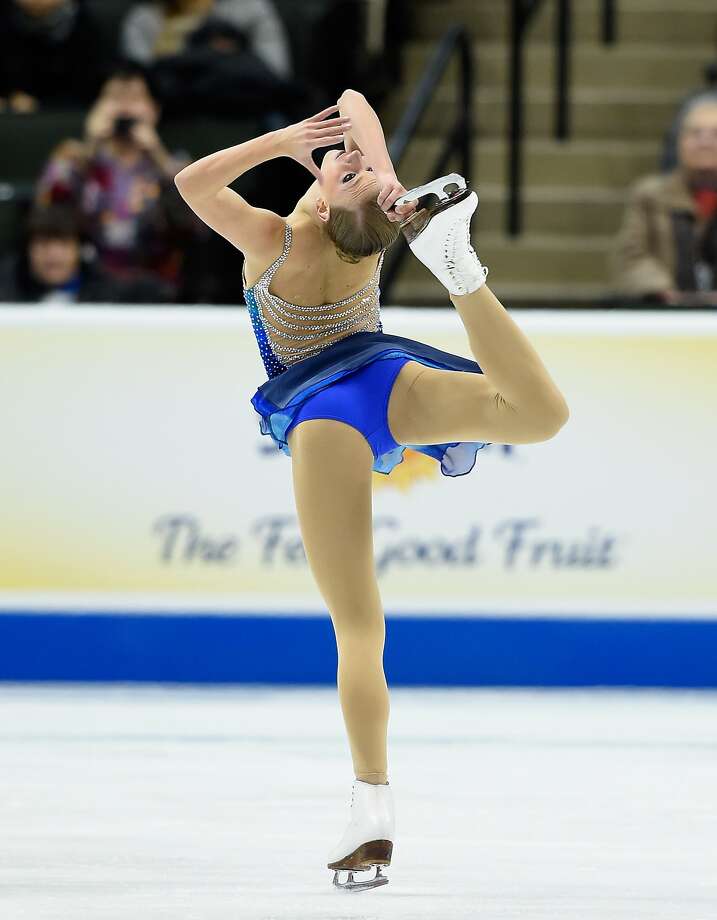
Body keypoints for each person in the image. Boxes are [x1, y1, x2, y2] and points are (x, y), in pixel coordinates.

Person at [174, 89, 570, 891]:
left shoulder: (275, 234)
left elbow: (192, 184)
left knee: (359, 624)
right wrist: (376, 177)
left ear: (325, 205)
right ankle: (457, 271)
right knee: (535, 414)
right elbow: (353, 101)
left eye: (350, 168)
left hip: (328, 409)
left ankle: (371, 807)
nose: (348, 156)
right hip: (380, 382)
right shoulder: (362, 233)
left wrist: (282, 141)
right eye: (346, 158)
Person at [34, 64, 195, 298]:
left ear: (154, 109)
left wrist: (158, 156)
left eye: (134, 97)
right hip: (87, 287)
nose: (124, 107)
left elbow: (194, 227)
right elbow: (47, 212)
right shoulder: (74, 159)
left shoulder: (175, 166)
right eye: (115, 97)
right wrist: (90, 146)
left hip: (159, 289)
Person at [611, 94, 717, 306]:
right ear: (679, 142)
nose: (705, 142)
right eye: (695, 133)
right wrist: (663, 291)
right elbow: (630, 255)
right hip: (664, 316)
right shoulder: (649, 195)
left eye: (715, 134)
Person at [0, 204, 171, 304]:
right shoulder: (7, 286)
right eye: (44, 244)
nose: (53, 254)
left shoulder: (106, 288)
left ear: (79, 249)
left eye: (64, 244)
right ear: (28, 250)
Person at [0, 0, 105, 112]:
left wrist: (40, 106)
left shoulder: (85, 24)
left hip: (65, 112)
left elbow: (90, 88)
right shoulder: (5, 17)